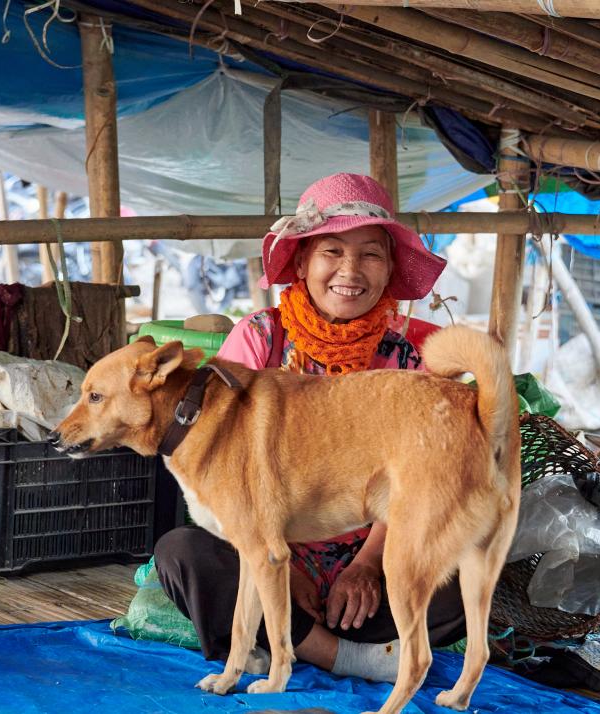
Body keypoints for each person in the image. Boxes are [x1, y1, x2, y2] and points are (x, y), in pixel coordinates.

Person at [154, 172, 466, 684]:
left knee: (458, 584)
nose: (350, 270)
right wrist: (279, 567)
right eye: (331, 251)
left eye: (370, 254)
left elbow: (418, 482)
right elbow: (216, 472)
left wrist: (367, 565)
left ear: (389, 270)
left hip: (372, 559)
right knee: (182, 553)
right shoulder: (258, 339)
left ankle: (289, 640)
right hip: (261, 546)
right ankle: (340, 656)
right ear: (301, 262)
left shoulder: (409, 361)